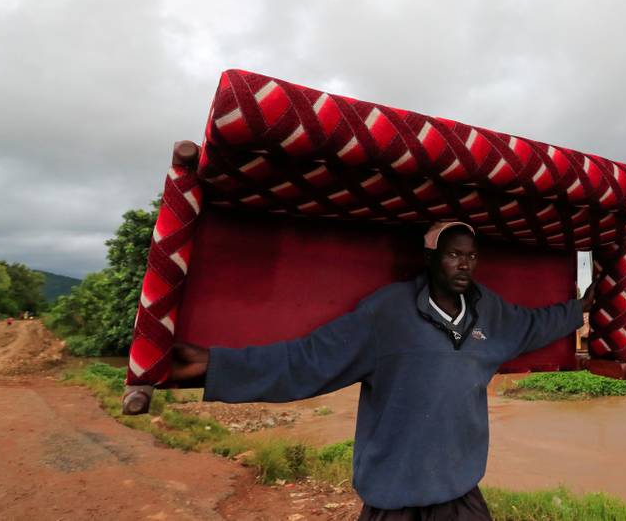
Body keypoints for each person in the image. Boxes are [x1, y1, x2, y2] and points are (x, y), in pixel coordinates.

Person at [171, 221, 595, 520]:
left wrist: (579, 310)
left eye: (471, 256)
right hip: (394, 498)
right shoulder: (386, 313)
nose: (464, 265)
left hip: (459, 493)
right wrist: (216, 366)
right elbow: (307, 361)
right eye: (453, 255)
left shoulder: (492, 315)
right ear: (429, 258)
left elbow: (536, 325)